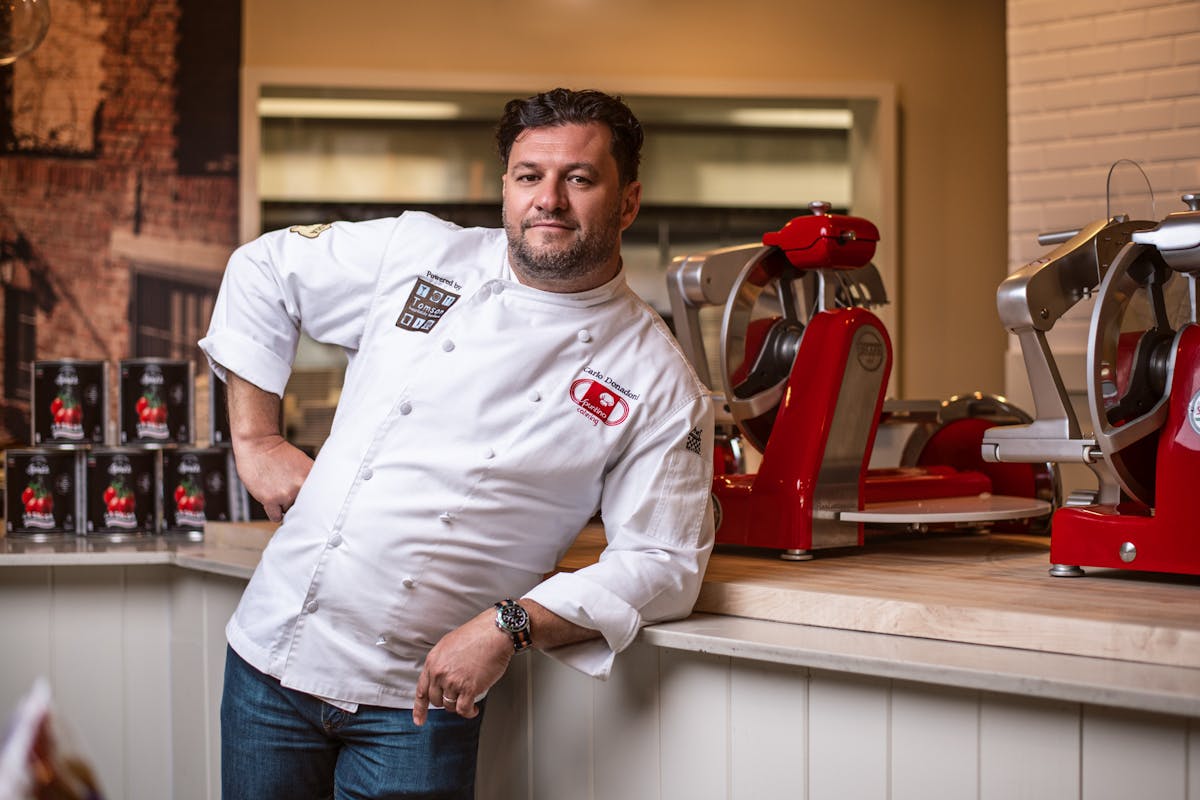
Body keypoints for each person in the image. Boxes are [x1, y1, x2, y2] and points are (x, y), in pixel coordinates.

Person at [200, 87, 715, 799]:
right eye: (530, 175)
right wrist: (256, 439)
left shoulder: (657, 379)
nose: (550, 201)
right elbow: (262, 269)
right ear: (505, 186)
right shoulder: (418, 253)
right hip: (269, 657)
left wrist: (511, 625)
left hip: (417, 702)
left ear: (627, 202)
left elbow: (664, 561)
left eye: (580, 179)